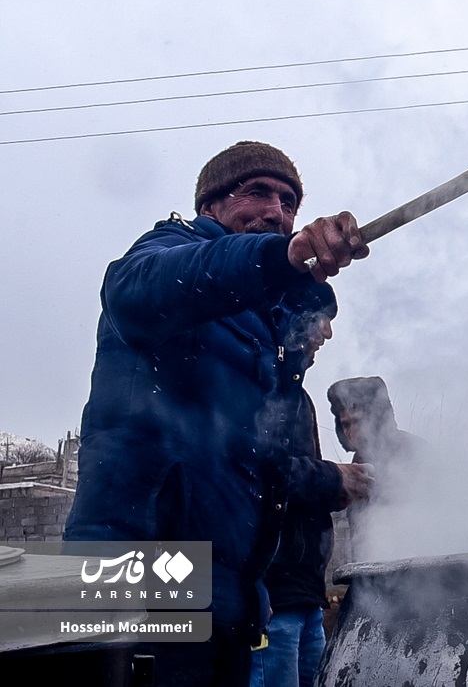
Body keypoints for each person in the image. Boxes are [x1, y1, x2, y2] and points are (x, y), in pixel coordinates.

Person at [64, 141, 373, 686]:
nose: (275, 212)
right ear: (211, 205)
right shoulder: (168, 253)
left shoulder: (263, 340)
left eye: (289, 201)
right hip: (129, 579)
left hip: (228, 600)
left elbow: (263, 463)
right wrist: (281, 258)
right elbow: (138, 289)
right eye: (257, 192)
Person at [251, 284, 358, 687]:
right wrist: (333, 478)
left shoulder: (299, 398)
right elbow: (255, 471)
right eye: (315, 317)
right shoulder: (257, 387)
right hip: (269, 599)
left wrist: (339, 489)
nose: (326, 332)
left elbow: (297, 486)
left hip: (306, 596)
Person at [326, 377, 427, 562]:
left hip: (415, 571)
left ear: (377, 417)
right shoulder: (358, 462)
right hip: (370, 573)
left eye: (357, 421)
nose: (350, 431)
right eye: (345, 424)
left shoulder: (415, 453)